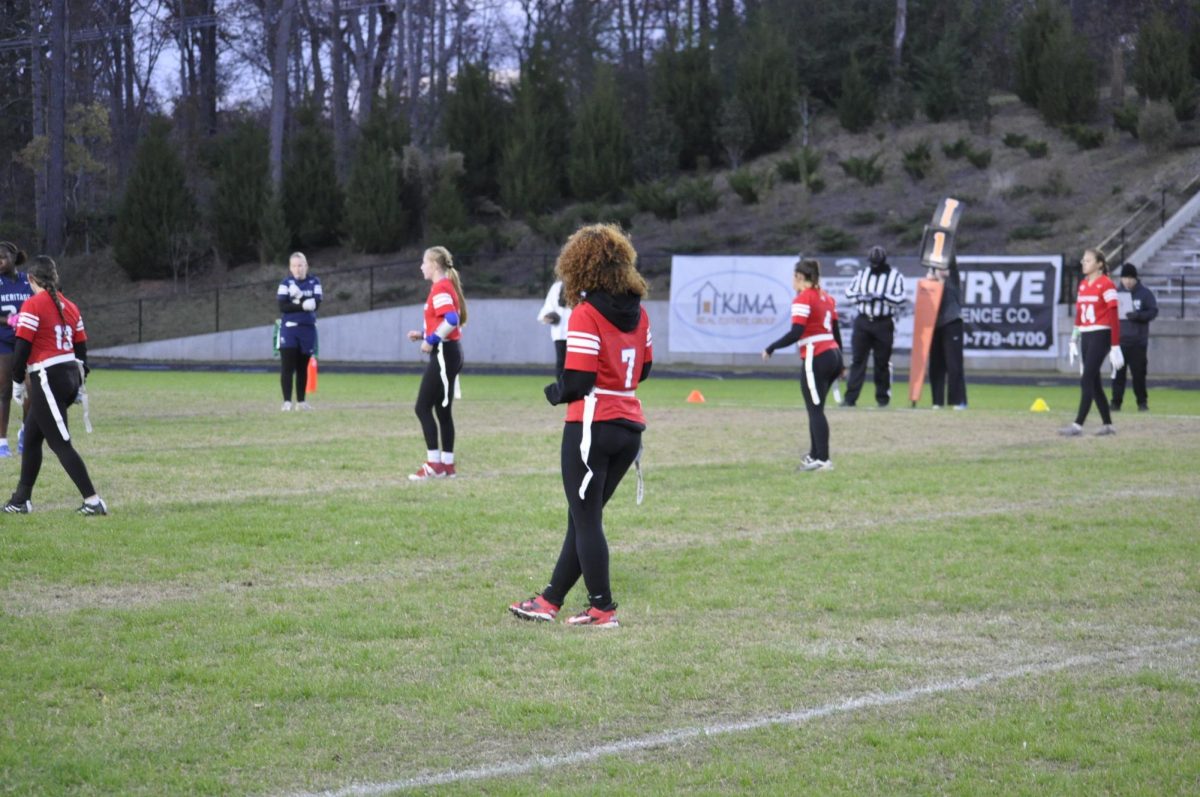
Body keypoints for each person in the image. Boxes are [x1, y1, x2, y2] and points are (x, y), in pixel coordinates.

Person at [509, 224, 652, 629]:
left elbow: (578, 382)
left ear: (578, 265)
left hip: (592, 424)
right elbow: (645, 369)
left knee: (586, 519)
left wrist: (554, 392)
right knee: (582, 516)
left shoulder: (587, 313)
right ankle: (549, 600)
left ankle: (602, 608)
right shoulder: (639, 312)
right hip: (629, 427)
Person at [3, 256, 107, 515]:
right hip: (69, 374)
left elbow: (23, 347)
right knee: (31, 437)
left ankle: (93, 501)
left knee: (60, 443)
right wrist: (80, 383)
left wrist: (17, 381)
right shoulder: (70, 305)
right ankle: (21, 499)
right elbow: (81, 350)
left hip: (47, 377)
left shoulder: (33, 304)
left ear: (30, 279)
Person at [762, 258, 843, 471]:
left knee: (815, 409)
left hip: (817, 354)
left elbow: (796, 332)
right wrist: (842, 362)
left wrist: (772, 347)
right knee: (815, 408)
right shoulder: (827, 298)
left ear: (799, 277)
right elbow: (836, 331)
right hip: (833, 353)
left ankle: (823, 460)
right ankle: (815, 454)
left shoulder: (803, 299)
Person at [406, 246, 466, 481]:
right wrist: (423, 334)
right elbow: (447, 321)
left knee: (422, 407)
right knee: (442, 410)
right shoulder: (445, 287)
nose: (421, 267)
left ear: (434, 265)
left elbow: (451, 319)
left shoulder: (440, 287)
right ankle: (447, 465)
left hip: (444, 353)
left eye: (424, 262)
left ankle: (434, 464)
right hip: (451, 352)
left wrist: (430, 340)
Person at [1060, 248, 1121, 437]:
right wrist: (1073, 337)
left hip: (1100, 334)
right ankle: (1108, 425)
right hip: (1086, 335)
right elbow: (1079, 314)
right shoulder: (1083, 285)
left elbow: (1113, 316)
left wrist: (1115, 345)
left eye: (1087, 260)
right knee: (1094, 382)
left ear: (1099, 264)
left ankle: (1078, 425)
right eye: (1083, 260)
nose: (1083, 263)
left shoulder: (1107, 285)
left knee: (1086, 378)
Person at [842, 245, 905, 407]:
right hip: (863, 321)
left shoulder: (895, 276)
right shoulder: (862, 274)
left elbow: (900, 298)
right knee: (857, 361)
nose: (874, 266)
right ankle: (850, 399)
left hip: (883, 323)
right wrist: (863, 297)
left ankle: (883, 399)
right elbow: (849, 293)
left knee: (882, 362)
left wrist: (883, 297)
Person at [276, 252, 322, 411]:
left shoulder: (314, 281)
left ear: (306, 266)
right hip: (289, 329)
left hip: (307, 329)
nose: (298, 269)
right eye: (294, 265)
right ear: (290, 267)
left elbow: (316, 304)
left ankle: (301, 402)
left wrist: (300, 296)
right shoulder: (285, 283)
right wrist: (302, 305)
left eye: (301, 265)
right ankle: (287, 402)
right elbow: (283, 307)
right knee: (287, 366)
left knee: (303, 366)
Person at [1110, 262, 1158, 412]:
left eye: (1131, 278)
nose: (1128, 281)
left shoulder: (1145, 294)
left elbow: (1153, 312)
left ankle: (1142, 403)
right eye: (1125, 278)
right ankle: (1115, 403)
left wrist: (1138, 316)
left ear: (1136, 279)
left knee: (1139, 375)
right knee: (1118, 375)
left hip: (1138, 342)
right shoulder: (1116, 294)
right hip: (1120, 342)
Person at [0, 242, 33, 457]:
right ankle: (2, 441)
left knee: (31, 389)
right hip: (4, 341)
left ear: (13, 256)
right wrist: (9, 320)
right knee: (4, 391)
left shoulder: (28, 281)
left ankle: (25, 432)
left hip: (28, 341)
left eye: (2, 257)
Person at [927, 257, 967, 409]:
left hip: (952, 323)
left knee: (954, 364)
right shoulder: (931, 285)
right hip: (934, 325)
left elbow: (949, 257)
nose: (939, 270)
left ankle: (958, 401)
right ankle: (937, 401)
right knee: (936, 365)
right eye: (935, 268)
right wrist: (931, 275)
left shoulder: (952, 280)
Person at [536, 279, 571, 377]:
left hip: (578, 332)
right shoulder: (557, 287)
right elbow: (549, 306)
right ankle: (562, 390)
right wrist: (546, 317)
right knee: (561, 362)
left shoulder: (583, 284)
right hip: (560, 332)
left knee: (577, 364)